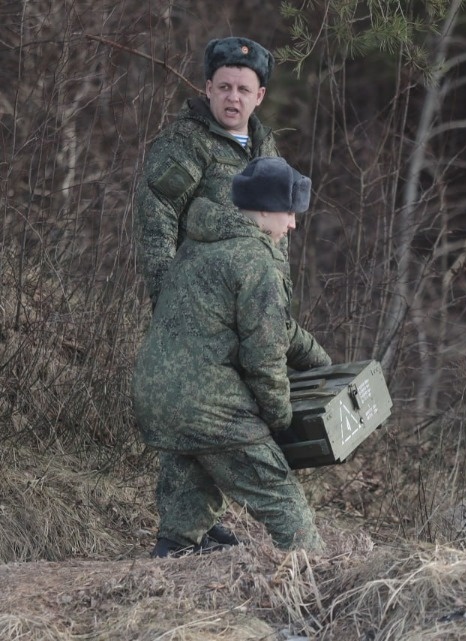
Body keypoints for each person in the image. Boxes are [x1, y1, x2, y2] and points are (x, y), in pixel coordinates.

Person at [133, 156, 332, 557]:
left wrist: (321, 363)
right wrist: (279, 418)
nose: (293, 224)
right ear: (265, 209)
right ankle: (316, 573)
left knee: (194, 473)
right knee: (282, 498)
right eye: (289, 212)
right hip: (209, 403)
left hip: (157, 397)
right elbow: (264, 357)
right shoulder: (255, 260)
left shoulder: (198, 245)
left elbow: (277, 329)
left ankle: (171, 555)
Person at [134, 36, 279, 309]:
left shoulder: (267, 151)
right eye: (224, 87)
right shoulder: (187, 142)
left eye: (243, 89)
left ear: (259, 96)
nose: (233, 97)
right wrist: (167, 299)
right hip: (198, 308)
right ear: (209, 89)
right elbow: (157, 216)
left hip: (254, 309)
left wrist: (279, 304)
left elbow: (279, 232)